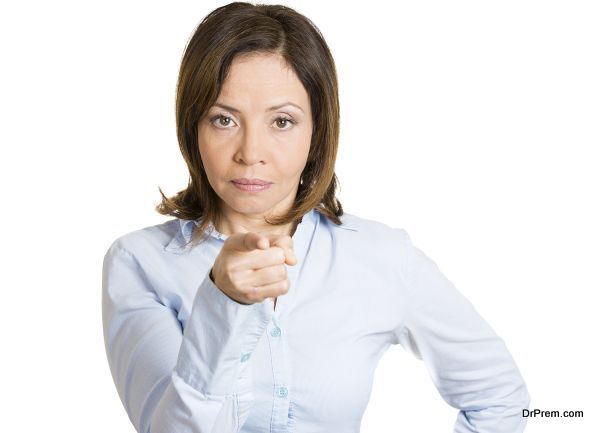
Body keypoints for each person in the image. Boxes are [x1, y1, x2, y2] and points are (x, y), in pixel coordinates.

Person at [101, 2, 530, 432]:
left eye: (282, 121)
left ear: (316, 130)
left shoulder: (382, 255)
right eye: (224, 119)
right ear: (192, 126)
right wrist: (223, 303)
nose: (251, 153)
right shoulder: (139, 262)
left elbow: (499, 397)